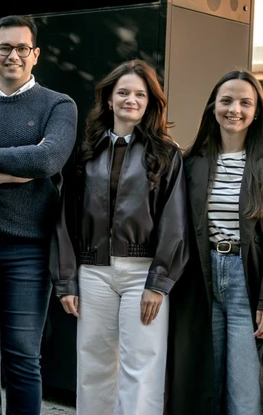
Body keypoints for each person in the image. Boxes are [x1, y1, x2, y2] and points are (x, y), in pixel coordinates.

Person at [166, 70, 263, 415]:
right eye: (227, 101)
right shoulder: (192, 161)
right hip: (201, 281)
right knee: (205, 380)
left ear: (257, 110)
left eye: (245, 102)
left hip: (248, 280)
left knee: (248, 388)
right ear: (212, 107)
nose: (235, 109)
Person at [0, 15, 78, 415]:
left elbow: (47, 158)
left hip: (27, 249)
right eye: (4, 48)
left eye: (22, 48)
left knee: (23, 359)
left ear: (35, 55)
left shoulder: (58, 105)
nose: (13, 55)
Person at [52, 60, 188, 414]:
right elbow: (65, 219)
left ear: (150, 103)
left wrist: (159, 283)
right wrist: (67, 281)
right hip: (93, 271)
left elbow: (175, 222)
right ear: (109, 100)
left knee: (141, 366)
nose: (131, 99)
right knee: (94, 365)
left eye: (140, 94)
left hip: (143, 273)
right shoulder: (86, 153)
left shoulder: (167, 154)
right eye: (123, 92)